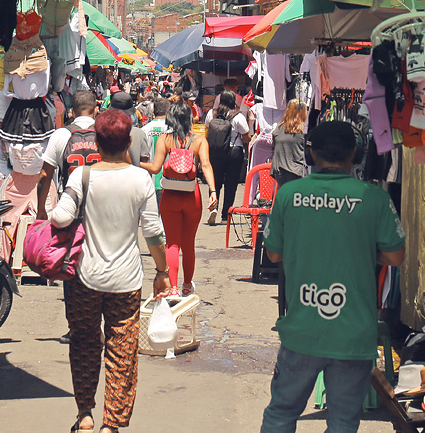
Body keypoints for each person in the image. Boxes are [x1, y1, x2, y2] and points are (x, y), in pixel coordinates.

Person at [260, 121, 407, 433]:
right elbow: (396, 256)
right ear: (354, 154)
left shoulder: (289, 194)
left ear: (311, 154)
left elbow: (273, 253)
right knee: (342, 423)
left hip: (303, 330)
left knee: (281, 414)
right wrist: (363, 252)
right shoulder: (374, 198)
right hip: (353, 333)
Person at [50, 110, 171, 433]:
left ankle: (85, 415)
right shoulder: (140, 179)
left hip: (84, 278)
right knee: (122, 353)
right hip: (126, 281)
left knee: (85, 344)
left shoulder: (82, 177)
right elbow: (154, 233)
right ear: (129, 143)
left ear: (97, 143)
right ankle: (111, 425)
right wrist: (163, 271)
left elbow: (60, 218)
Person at [140, 100, 216, 298]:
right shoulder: (200, 141)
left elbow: (156, 168)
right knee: (188, 243)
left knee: (172, 243)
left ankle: (172, 289)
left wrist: (135, 163)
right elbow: (206, 166)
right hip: (192, 196)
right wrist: (213, 192)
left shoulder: (165, 140)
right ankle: (187, 286)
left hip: (170, 196)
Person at [37, 90, 98, 219]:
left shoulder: (60, 134)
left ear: (71, 112)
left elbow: (45, 175)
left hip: (69, 208)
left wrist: (41, 209)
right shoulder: (104, 134)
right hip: (99, 209)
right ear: (96, 110)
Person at [205, 90, 251, 224]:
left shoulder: (211, 114)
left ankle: (213, 209)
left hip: (215, 151)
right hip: (234, 152)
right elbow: (246, 136)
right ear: (233, 101)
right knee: (231, 185)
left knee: (215, 182)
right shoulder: (238, 116)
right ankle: (226, 215)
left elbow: (208, 128)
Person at [269, 101, 309, 190]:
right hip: (298, 172)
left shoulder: (278, 128)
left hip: (280, 171)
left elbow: (274, 146)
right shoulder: (304, 130)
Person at [108, 91, 151, 167]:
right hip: (134, 177)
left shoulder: (104, 132)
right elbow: (146, 162)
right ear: (131, 113)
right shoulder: (139, 134)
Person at [141, 97, 171, 203]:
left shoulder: (144, 130)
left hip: (149, 180)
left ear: (153, 111)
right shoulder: (171, 129)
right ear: (168, 111)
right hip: (169, 180)